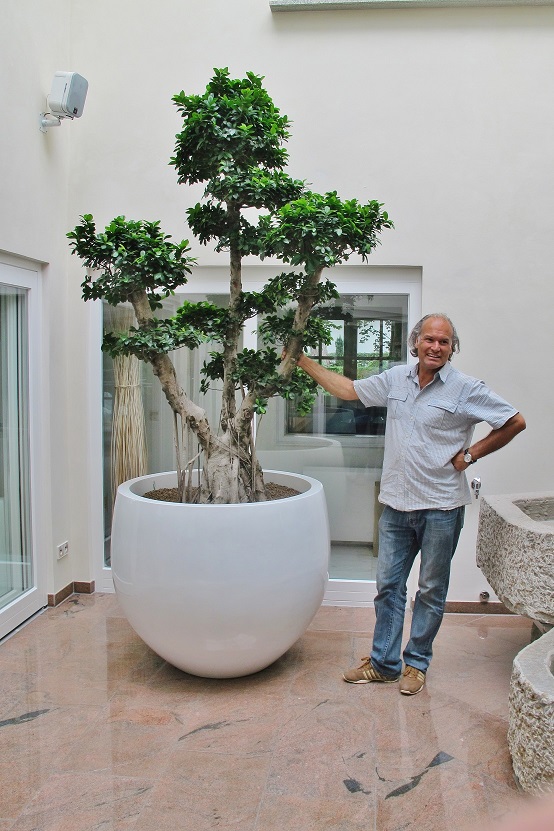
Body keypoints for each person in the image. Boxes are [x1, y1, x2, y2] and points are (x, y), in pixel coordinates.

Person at [295, 313, 526, 695]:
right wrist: (302, 361)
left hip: (442, 507)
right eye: (430, 340)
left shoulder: (466, 388)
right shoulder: (395, 378)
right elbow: (348, 390)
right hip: (396, 506)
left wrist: (470, 455)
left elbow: (514, 421)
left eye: (445, 342)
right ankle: (384, 664)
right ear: (416, 342)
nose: (436, 347)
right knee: (388, 586)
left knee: (432, 590)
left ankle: (416, 663)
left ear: (452, 349)